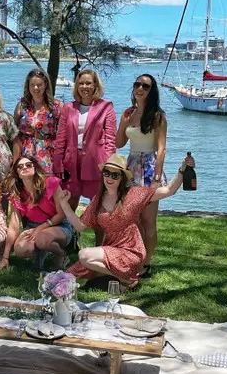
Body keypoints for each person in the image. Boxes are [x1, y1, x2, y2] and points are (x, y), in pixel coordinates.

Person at [56, 153, 195, 289]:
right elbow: (80, 226)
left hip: (131, 252)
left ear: (122, 178)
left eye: (115, 175)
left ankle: (126, 277)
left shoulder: (134, 195)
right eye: (106, 173)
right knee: (68, 276)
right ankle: (120, 277)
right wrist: (64, 204)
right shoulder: (98, 200)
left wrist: (183, 169)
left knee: (84, 256)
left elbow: (169, 190)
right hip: (111, 251)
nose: (109, 178)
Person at [53, 68, 116, 243]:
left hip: (96, 165)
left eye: (88, 83)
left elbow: (110, 139)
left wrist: (108, 166)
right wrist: (58, 163)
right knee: (69, 206)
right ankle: (69, 243)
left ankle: (100, 246)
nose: (84, 86)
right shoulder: (68, 108)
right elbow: (61, 138)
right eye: (81, 83)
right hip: (71, 165)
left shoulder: (106, 107)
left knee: (98, 209)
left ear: (95, 85)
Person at [115, 74, 167, 275]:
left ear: (151, 91)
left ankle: (146, 263)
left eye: (145, 86)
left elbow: (161, 149)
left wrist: (156, 178)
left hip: (149, 167)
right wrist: (124, 121)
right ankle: (136, 257)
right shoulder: (129, 113)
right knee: (133, 218)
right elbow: (120, 143)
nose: (140, 89)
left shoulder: (157, 116)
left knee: (148, 220)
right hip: (131, 166)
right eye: (137, 84)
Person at [0, 155, 74, 271]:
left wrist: (40, 229)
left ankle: (61, 254)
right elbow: (14, 226)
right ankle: (41, 253)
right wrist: (5, 257)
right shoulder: (17, 193)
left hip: (59, 225)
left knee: (43, 239)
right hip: (34, 225)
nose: (24, 167)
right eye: (20, 167)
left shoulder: (51, 182)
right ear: (17, 173)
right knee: (20, 249)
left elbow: (61, 214)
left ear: (35, 168)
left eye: (28, 165)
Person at [13, 68, 63, 174]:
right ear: (28, 86)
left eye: (39, 85)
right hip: (25, 155)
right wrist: (15, 162)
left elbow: (62, 136)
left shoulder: (56, 106)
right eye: (32, 85)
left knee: (47, 187)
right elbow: (16, 135)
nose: (36, 88)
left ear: (45, 85)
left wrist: (60, 162)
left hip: (48, 155)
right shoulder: (22, 106)